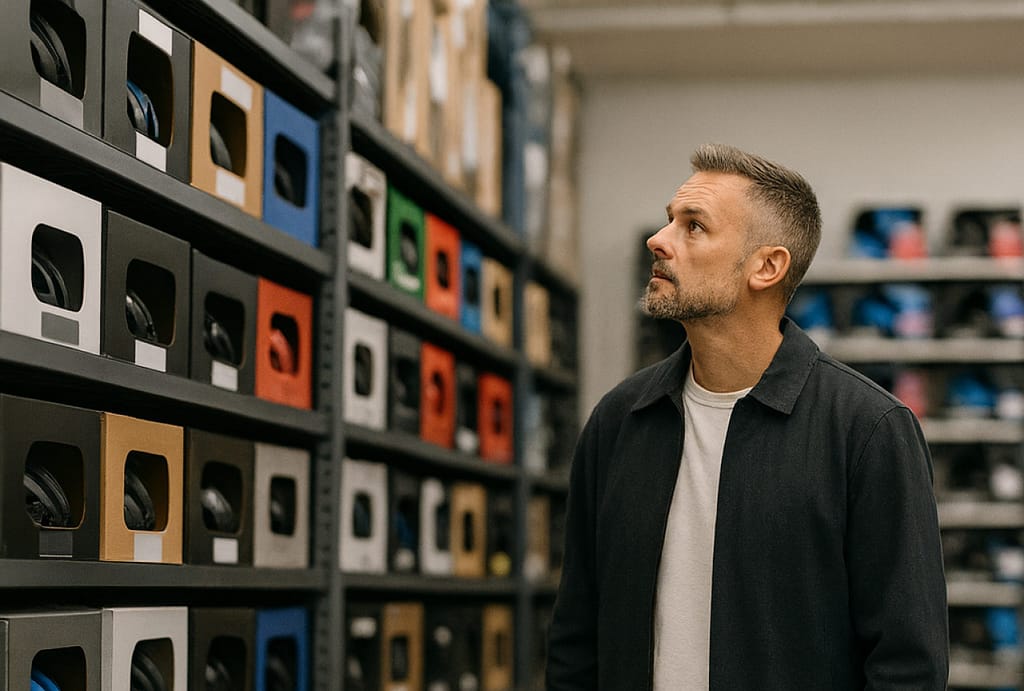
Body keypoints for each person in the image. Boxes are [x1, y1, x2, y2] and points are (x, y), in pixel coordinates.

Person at [546, 144, 948, 690]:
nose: (658, 240)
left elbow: (908, 667)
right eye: (669, 220)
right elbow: (575, 640)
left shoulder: (868, 431)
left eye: (694, 226)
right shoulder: (620, 421)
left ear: (766, 266)